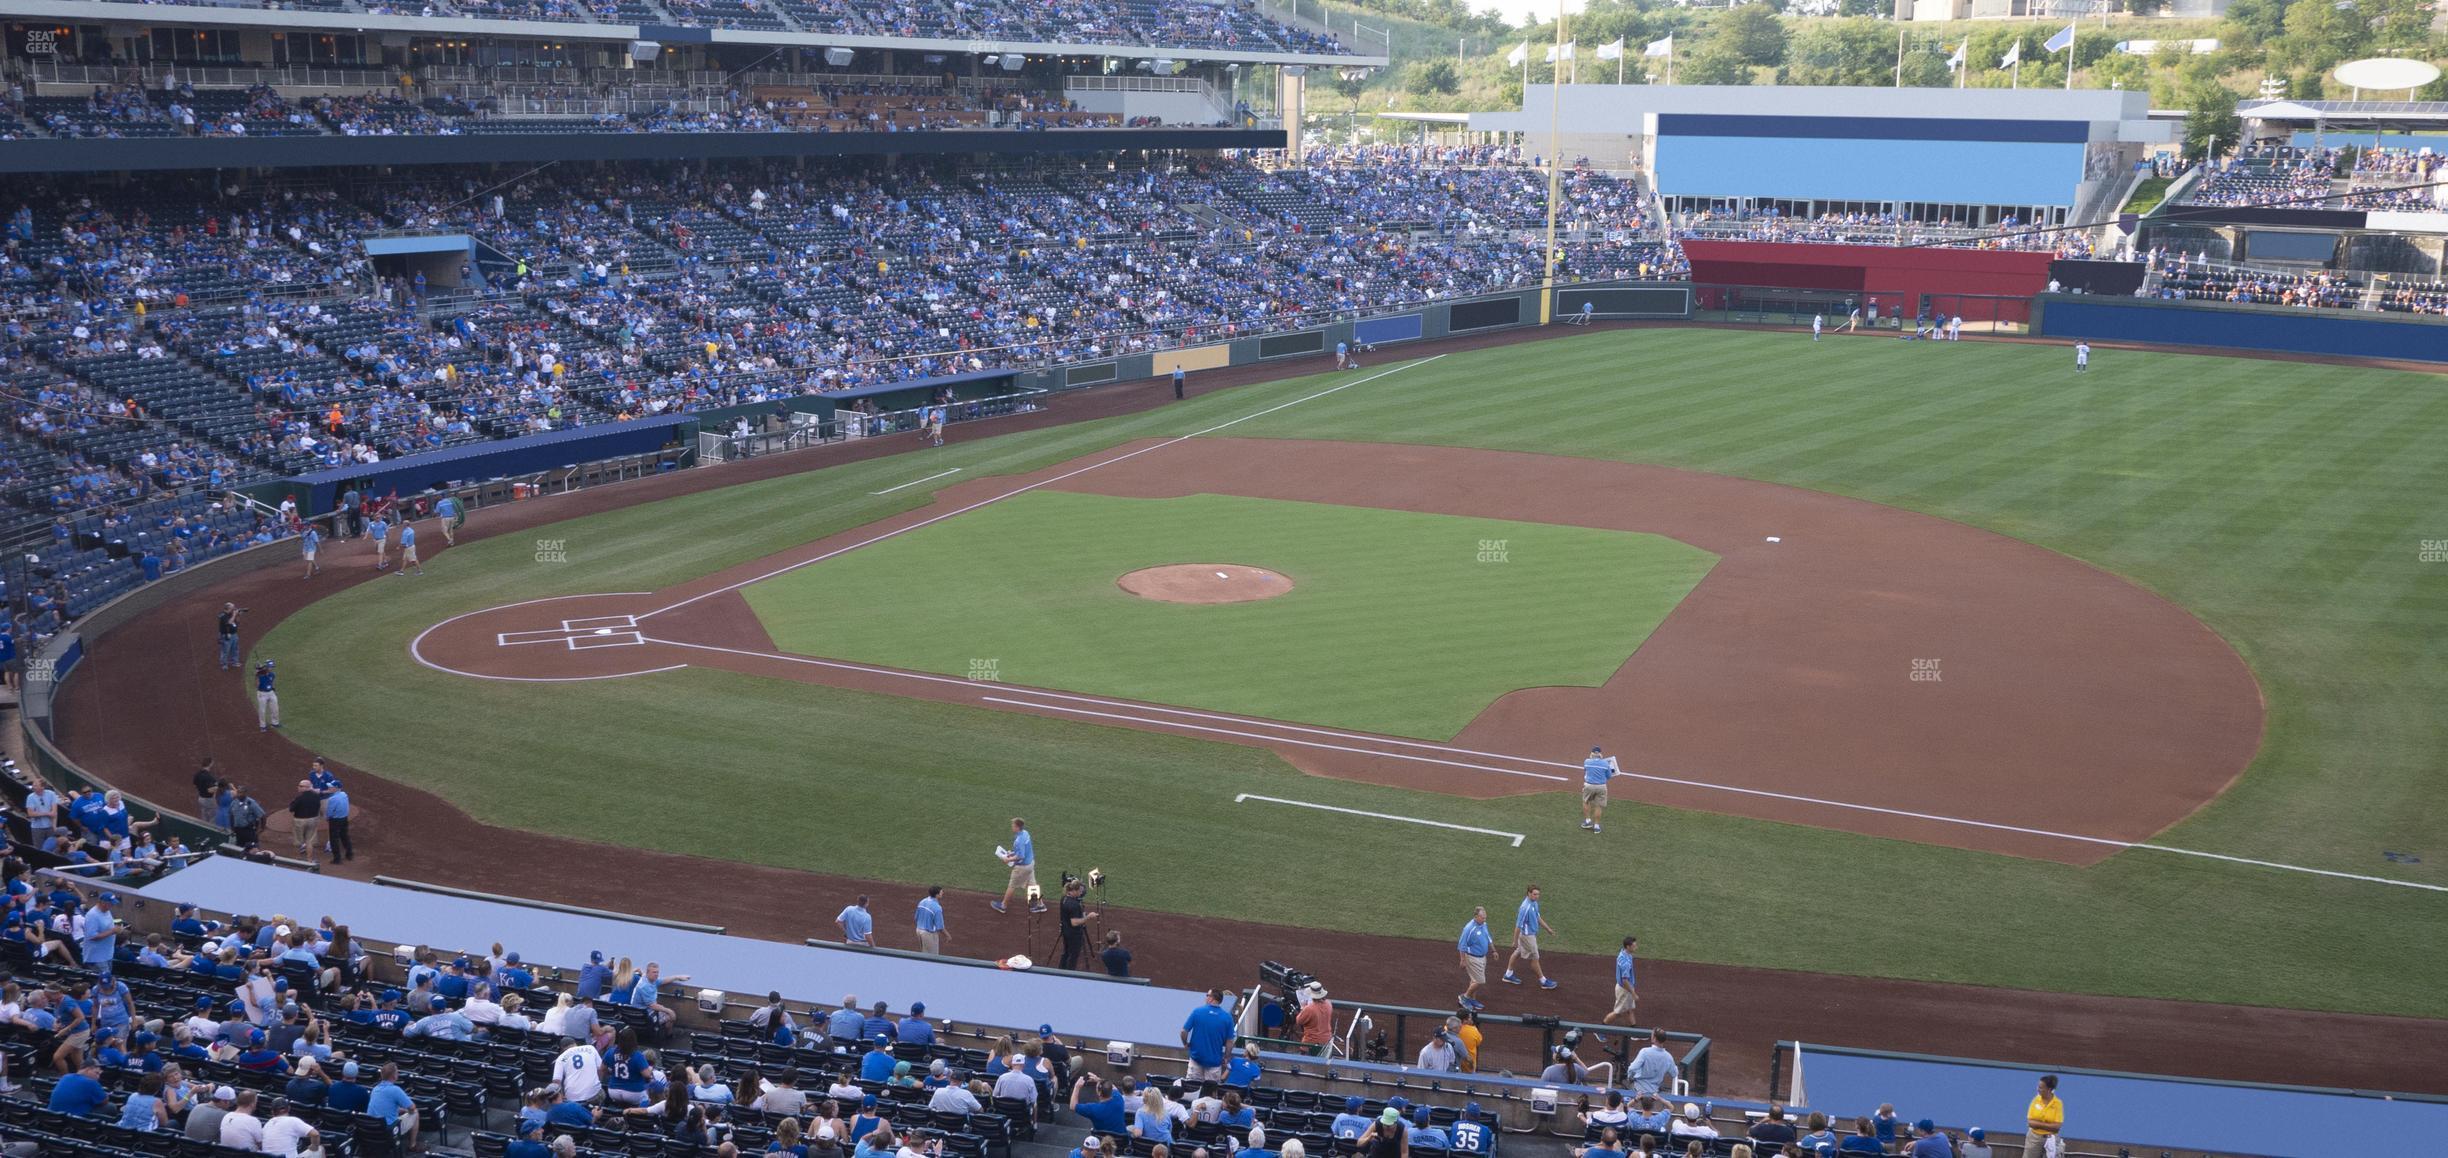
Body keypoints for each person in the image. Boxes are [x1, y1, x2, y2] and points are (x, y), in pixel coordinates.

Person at [1502, 885, 1557, 989]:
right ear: (1529, 893)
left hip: (1529, 935)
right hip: (1527, 937)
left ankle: (1508, 975)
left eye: (1538, 894)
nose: (1537, 896)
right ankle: (1543, 981)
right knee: (1535, 958)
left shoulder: (1534, 903)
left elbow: (1537, 917)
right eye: (1535, 894)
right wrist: (1514, 941)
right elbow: (1518, 926)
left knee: (1518, 952)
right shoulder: (1525, 907)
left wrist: (1548, 929)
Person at [1181, 990, 1235, 1082]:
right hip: (1214, 1063)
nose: (1206, 997)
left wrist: (1185, 1043)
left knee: (1192, 1090)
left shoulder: (1197, 1012)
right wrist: (1226, 1057)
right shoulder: (1227, 1017)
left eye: (1207, 995)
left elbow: (1183, 1031)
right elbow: (1230, 1041)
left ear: (1211, 998)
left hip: (1196, 1060)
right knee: (1210, 1093)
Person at [994, 818, 1041, 913]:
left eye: (1013, 825)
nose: (1012, 827)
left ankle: (1003, 906)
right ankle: (1040, 905)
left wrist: (1008, 859)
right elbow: (1022, 850)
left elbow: (1021, 856)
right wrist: (1012, 853)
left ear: (1017, 827)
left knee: (1012, 885)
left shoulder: (1019, 840)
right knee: (1032, 884)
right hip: (1030, 863)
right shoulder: (1025, 833)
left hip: (1022, 867)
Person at [1456, 906, 1492, 1011]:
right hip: (1472, 958)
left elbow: (1488, 937)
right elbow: (1462, 945)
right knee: (1480, 981)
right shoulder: (1468, 928)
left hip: (1482, 957)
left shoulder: (1483, 924)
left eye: (1485, 917)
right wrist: (1462, 960)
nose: (1484, 920)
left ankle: (1472, 999)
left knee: (1474, 980)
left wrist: (1493, 950)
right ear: (1476, 916)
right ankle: (1465, 997)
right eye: (1482, 918)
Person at [1058, 878, 1097, 970]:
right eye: (1079, 891)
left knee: (1066, 952)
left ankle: (1060, 970)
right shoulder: (1074, 905)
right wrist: (1088, 917)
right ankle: (1070, 973)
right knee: (1073, 955)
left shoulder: (1064, 898)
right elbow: (1074, 923)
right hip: (1074, 934)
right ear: (1074, 890)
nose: (1081, 893)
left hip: (1065, 931)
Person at [1607, 937, 1646, 1027]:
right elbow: (1625, 980)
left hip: (1623, 987)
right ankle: (1600, 1030)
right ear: (1628, 947)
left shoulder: (1623, 954)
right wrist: (1633, 993)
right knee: (1618, 1013)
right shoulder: (1626, 963)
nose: (1636, 947)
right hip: (1625, 989)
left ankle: (1635, 1032)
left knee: (1629, 1010)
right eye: (1634, 946)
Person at [2022, 1075, 2064, 1158]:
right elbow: (2030, 1122)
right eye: (2038, 1086)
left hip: (2051, 1139)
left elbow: (2056, 1127)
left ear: (2049, 1089)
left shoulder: (2058, 1104)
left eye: (2041, 1087)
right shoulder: (2035, 1100)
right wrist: (2048, 1125)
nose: (2038, 1089)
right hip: (2034, 1138)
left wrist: (2038, 1124)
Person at [1581, 746, 1619, 832]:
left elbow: (1586, 770)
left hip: (1589, 785)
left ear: (1592, 753)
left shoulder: (1587, 761)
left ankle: (1587, 821)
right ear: (1600, 754)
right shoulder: (1606, 763)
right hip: (1601, 786)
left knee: (1586, 801)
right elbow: (1609, 776)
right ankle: (1597, 827)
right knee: (1598, 806)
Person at [1630, 1030, 1676, 1097]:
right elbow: (1674, 1073)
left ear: (1654, 1039)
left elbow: (1632, 1068)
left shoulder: (1644, 1052)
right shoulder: (1668, 1057)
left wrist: (1629, 1077)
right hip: (1655, 1092)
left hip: (1638, 1089)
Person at [288, 781, 324, 862]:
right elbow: (318, 807)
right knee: (309, 841)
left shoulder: (299, 798)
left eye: (301, 786)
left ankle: (297, 859)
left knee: (298, 841)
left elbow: (291, 809)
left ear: (307, 787)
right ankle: (309, 860)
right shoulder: (316, 796)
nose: (299, 787)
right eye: (299, 785)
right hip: (313, 820)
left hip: (299, 821)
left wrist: (293, 802)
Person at [1292, 981, 1334, 1052]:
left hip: (1311, 1044)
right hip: (1326, 1042)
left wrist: (1303, 1008)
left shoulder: (1309, 1008)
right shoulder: (1328, 1004)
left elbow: (1299, 1021)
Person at [324, 788, 354, 862]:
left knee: (334, 839)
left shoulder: (332, 798)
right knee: (345, 836)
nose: (329, 788)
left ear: (336, 788)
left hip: (335, 821)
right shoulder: (344, 794)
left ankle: (337, 859)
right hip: (344, 819)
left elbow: (330, 811)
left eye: (331, 787)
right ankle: (349, 854)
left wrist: (327, 817)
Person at [914, 887, 946, 955]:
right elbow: (940, 927)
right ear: (937, 895)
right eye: (941, 892)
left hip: (918, 930)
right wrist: (947, 935)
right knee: (933, 956)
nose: (942, 892)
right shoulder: (937, 908)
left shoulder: (922, 901)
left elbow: (916, 918)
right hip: (928, 934)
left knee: (924, 952)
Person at [255, 659, 281, 731]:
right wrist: (257, 675)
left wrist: (273, 689)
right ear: (266, 667)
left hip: (271, 693)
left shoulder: (272, 674)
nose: (271, 668)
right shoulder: (260, 675)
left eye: (272, 667)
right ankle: (262, 726)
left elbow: (271, 683)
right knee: (262, 710)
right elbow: (256, 686)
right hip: (262, 694)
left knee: (275, 708)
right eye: (270, 667)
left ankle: (275, 723)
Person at [216, 603, 243, 669]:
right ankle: (224, 664)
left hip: (234, 634)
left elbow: (237, 622)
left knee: (235, 649)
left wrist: (238, 615)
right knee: (225, 650)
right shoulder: (222, 616)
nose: (234, 609)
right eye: (233, 608)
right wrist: (234, 615)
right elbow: (229, 622)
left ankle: (234, 662)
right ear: (228, 609)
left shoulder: (231, 614)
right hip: (225, 636)